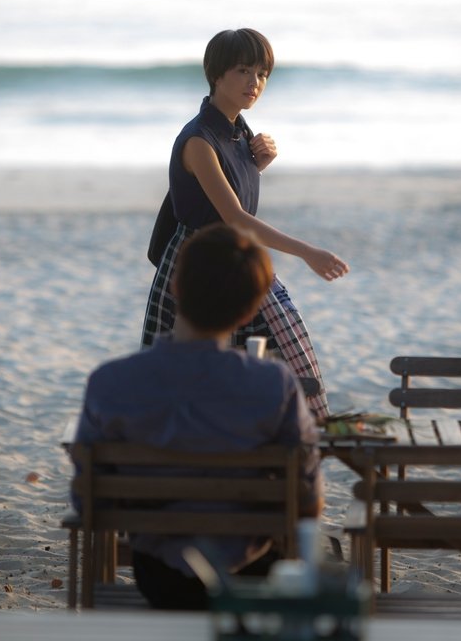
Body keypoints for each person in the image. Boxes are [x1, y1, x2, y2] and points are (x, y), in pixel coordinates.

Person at [75, 224, 323, 610]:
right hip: (253, 573)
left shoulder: (109, 383)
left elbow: (86, 499)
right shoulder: (276, 385)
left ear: (175, 288)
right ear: (248, 312)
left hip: (158, 577)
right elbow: (308, 499)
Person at [141, 27, 349, 421]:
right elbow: (235, 218)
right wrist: (309, 253)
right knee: (193, 381)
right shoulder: (199, 140)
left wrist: (257, 165)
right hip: (200, 265)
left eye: (262, 73)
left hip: (233, 259)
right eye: (242, 71)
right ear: (216, 74)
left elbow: (228, 201)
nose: (254, 83)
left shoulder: (238, 132)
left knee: (267, 365)